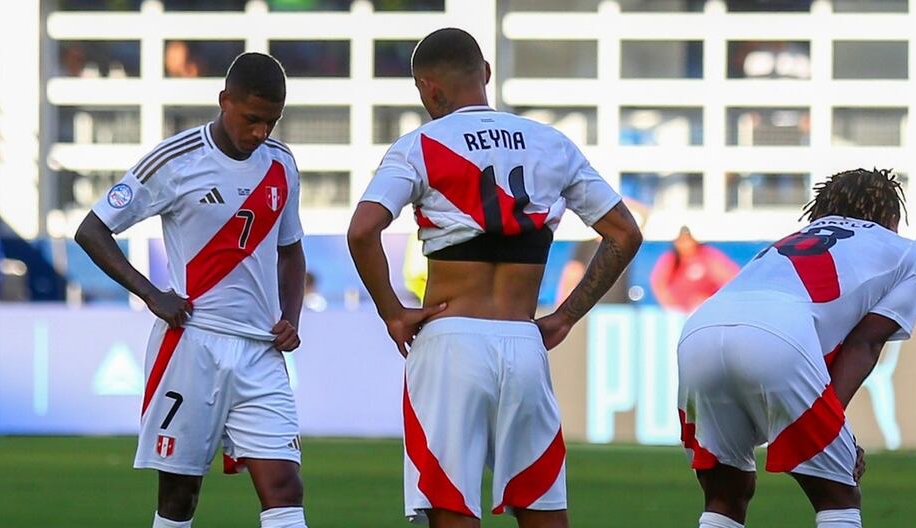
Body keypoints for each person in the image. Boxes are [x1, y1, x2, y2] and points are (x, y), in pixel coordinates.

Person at [347, 28, 642, 528]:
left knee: (452, 510)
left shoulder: (420, 145)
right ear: (485, 73)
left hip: (448, 344)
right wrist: (566, 316)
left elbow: (363, 231)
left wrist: (392, 313)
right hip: (524, 342)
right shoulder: (551, 144)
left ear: (428, 89)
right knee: (543, 511)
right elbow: (624, 233)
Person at [74, 53, 308, 528]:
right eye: (251, 119)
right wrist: (151, 294)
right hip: (191, 344)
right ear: (224, 102)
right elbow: (92, 230)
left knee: (284, 487)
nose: (261, 132)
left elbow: (291, 251)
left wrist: (292, 318)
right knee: (180, 496)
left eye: (272, 121)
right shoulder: (175, 161)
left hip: (261, 352)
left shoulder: (282, 164)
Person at [676, 169, 916, 528]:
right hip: (780, 333)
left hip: (699, 330)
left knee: (724, 494)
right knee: (837, 494)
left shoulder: (788, 239)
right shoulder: (904, 251)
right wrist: (836, 430)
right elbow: (863, 344)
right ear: (890, 216)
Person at [649, 226, 739, 312]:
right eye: (681, 240)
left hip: (706, 309)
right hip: (679, 312)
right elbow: (659, 285)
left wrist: (710, 300)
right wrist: (673, 306)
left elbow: (730, 278)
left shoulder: (707, 255)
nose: (685, 244)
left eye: (687, 239)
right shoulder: (670, 259)